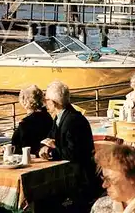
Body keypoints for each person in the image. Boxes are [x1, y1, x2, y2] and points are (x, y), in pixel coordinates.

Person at [39, 81, 99, 210]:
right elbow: (49, 138)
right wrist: (45, 147)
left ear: (54, 103)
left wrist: (52, 151)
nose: (45, 103)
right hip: (68, 171)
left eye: (46, 99)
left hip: (79, 177)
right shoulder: (60, 117)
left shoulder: (73, 121)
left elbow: (73, 153)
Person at [11, 85, 53, 156]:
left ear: (24, 102)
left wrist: (5, 149)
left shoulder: (26, 123)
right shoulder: (48, 117)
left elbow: (23, 148)